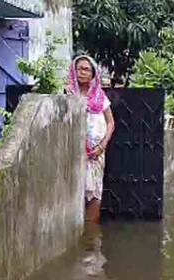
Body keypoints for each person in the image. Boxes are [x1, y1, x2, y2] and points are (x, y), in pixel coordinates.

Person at [66, 56, 115, 223]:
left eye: (86, 69)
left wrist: (102, 145)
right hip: (73, 152)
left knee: (94, 191)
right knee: (74, 190)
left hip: (95, 153)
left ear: (93, 74)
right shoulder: (68, 95)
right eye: (79, 68)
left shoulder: (99, 96)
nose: (82, 72)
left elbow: (110, 123)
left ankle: (91, 235)